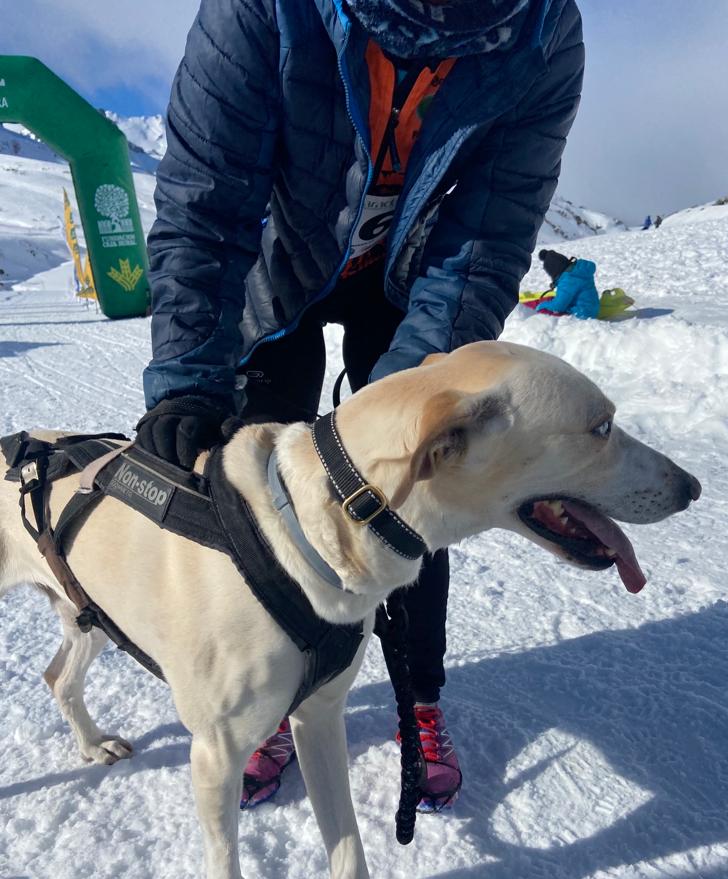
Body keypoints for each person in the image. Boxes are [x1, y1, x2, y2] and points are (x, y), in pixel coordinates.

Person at [136, 0, 585, 812]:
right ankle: (278, 688)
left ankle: (419, 694)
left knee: (418, 483)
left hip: (411, 288)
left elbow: (481, 241)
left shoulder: (542, 33)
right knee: (264, 503)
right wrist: (187, 379)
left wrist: (395, 421)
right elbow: (207, 204)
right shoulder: (261, 11)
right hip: (274, 278)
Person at [535, 248, 600, 318]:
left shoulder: (567, 280)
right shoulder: (577, 272)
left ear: (554, 271)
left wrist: (542, 305)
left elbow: (558, 306)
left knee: (544, 311)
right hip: (591, 310)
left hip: (581, 314)